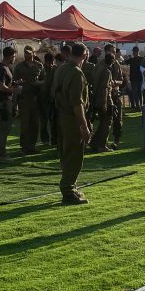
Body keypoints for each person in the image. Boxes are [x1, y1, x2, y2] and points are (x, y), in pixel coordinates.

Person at [53, 43, 92, 205]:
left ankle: (70, 187)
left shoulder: (61, 68)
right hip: (72, 118)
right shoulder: (76, 73)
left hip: (60, 115)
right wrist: (84, 126)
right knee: (74, 154)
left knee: (65, 152)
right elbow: (77, 103)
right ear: (85, 55)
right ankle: (68, 191)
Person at [12, 46, 44, 154]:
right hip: (24, 98)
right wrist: (18, 82)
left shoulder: (39, 66)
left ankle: (32, 146)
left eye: (29, 53)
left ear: (33, 53)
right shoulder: (19, 66)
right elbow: (14, 81)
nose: (26, 55)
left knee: (35, 124)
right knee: (25, 124)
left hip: (36, 98)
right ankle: (24, 147)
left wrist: (39, 83)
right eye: (25, 53)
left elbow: (44, 80)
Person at [0, 46, 18, 160]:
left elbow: (6, 84)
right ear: (11, 56)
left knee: (4, 127)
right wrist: (13, 90)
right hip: (3, 101)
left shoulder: (7, 67)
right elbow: (0, 86)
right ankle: (1, 153)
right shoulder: (1, 68)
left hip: (5, 100)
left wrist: (15, 83)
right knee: (5, 127)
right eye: (14, 56)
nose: (15, 58)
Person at [89, 51, 116, 152]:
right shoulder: (107, 71)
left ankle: (95, 142)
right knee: (107, 122)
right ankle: (101, 145)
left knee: (102, 122)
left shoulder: (98, 68)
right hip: (104, 100)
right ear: (112, 61)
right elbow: (105, 88)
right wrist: (105, 104)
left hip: (96, 99)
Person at [104, 44, 125, 143]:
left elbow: (121, 80)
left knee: (118, 118)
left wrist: (115, 82)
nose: (114, 53)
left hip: (115, 93)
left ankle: (117, 139)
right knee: (106, 120)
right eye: (112, 51)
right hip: (104, 95)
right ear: (106, 52)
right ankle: (103, 141)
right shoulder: (101, 64)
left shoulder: (116, 64)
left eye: (115, 51)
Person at [128, 46, 144, 111]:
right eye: (134, 51)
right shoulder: (132, 59)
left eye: (134, 51)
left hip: (138, 78)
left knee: (137, 92)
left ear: (137, 51)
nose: (134, 52)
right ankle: (139, 106)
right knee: (137, 92)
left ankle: (139, 106)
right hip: (135, 78)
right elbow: (123, 62)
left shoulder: (140, 59)